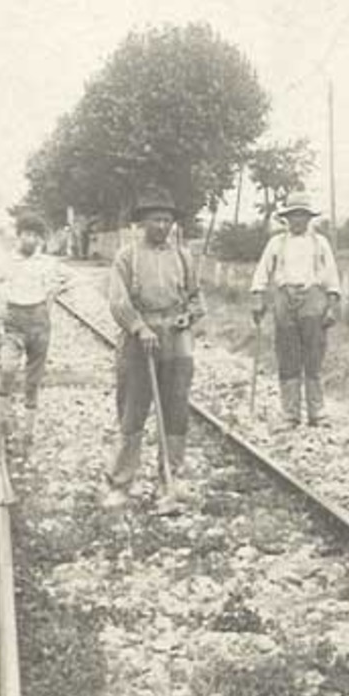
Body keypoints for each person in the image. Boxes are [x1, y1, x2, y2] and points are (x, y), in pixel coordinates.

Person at [102, 189, 203, 507]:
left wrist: (189, 316)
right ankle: (120, 482)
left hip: (177, 338)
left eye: (167, 220)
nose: (162, 226)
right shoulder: (127, 257)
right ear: (142, 223)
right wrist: (139, 327)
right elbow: (118, 300)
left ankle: (169, 477)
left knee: (176, 408)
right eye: (155, 220)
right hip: (139, 340)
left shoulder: (183, 256)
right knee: (133, 409)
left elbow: (196, 297)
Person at [249, 191, 342, 428]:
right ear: (286, 218)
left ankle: (317, 412)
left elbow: (331, 276)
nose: (297, 220)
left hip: (313, 299)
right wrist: (258, 298)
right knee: (287, 356)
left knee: (313, 356)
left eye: (302, 215)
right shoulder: (276, 243)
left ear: (309, 218)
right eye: (293, 216)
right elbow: (262, 271)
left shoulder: (320, 243)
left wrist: (331, 306)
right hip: (284, 299)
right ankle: (290, 414)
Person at [0, 211, 73, 453]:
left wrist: (54, 294)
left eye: (35, 236)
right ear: (19, 235)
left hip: (39, 324)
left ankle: (27, 433)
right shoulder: (6, 262)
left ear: (40, 239)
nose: (30, 240)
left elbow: (72, 279)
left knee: (33, 381)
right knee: (7, 369)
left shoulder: (47, 263)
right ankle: (1, 423)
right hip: (13, 324)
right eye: (26, 234)